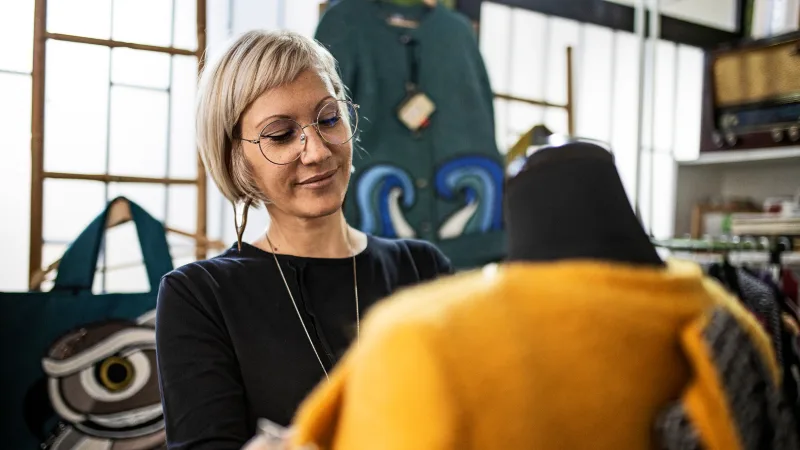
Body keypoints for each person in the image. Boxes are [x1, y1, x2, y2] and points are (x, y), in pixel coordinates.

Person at [155, 30, 453, 450]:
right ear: (237, 159)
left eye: (329, 118)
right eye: (280, 135)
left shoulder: (423, 269)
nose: (315, 151)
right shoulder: (200, 296)